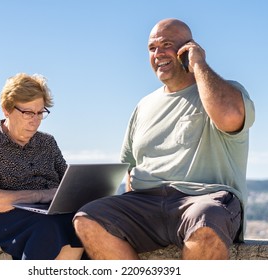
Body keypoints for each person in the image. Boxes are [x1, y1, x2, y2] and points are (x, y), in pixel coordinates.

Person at [73, 18, 255, 260]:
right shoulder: (144, 105)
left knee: (205, 221)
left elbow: (231, 117)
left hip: (202, 198)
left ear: (187, 49)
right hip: (145, 203)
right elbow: (131, 166)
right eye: (152, 48)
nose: (158, 53)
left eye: (166, 44)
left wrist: (198, 63)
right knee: (88, 218)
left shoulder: (223, 90)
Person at [0, 73, 84, 260]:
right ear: (7, 109)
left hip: (48, 215)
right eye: (28, 113)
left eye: (40, 113)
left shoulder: (47, 142)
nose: (35, 120)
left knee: (84, 222)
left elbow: (68, 184)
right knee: (49, 227)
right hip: (0, 220)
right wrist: (40, 196)